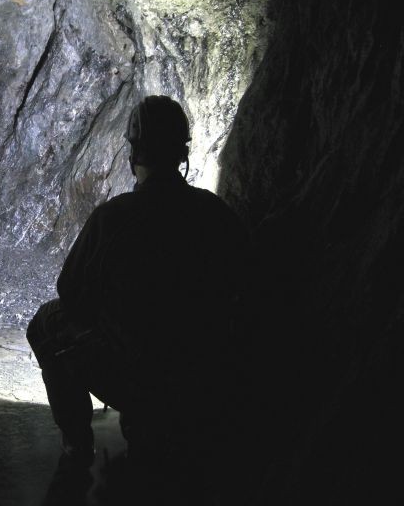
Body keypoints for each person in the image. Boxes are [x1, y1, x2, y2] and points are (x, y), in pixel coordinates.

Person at [27, 95, 251, 494]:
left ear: (134, 152)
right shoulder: (216, 214)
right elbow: (247, 288)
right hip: (206, 379)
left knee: (46, 321)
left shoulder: (112, 218)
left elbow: (70, 294)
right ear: (183, 151)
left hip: (134, 379)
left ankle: (78, 445)